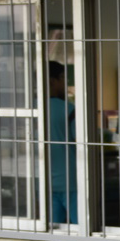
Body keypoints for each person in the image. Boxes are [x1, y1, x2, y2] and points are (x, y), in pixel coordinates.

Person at [47, 60, 77, 224]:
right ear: (53, 80)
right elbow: (80, 141)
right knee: (80, 226)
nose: (65, 84)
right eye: (64, 79)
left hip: (44, 181)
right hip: (69, 180)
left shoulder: (32, 109)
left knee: (51, 228)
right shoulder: (68, 109)